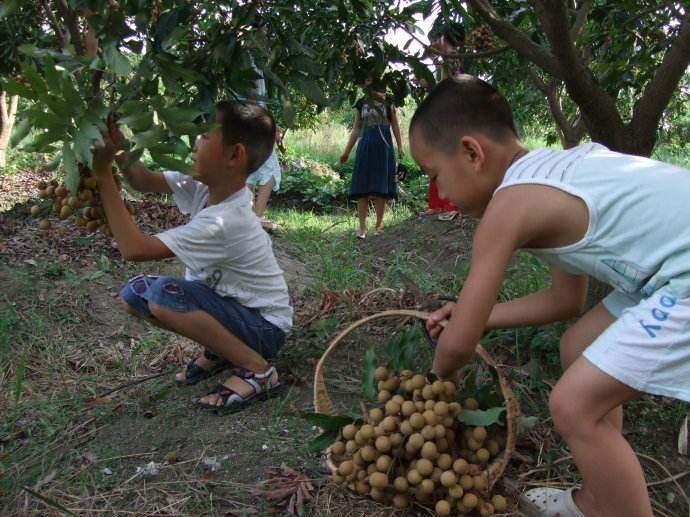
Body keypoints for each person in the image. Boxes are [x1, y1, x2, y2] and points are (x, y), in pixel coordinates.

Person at [412, 76, 690, 517]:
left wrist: (431, 388)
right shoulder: (547, 177)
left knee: (573, 406)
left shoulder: (510, 208)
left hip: (685, 273)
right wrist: (474, 316)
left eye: (435, 176)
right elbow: (564, 301)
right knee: (578, 347)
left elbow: (459, 346)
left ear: (471, 152)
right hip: (668, 272)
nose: (440, 195)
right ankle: (601, 499)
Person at [94, 101, 293, 412]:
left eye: (203, 137)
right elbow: (141, 180)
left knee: (163, 295)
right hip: (234, 313)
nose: (194, 144)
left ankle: (259, 370)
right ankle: (221, 350)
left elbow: (135, 250)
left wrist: (102, 174)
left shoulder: (227, 219)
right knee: (136, 294)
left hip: (265, 327)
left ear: (233, 155)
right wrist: (115, 144)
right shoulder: (204, 186)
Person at [339, 78, 404, 239]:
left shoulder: (388, 101)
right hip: (365, 146)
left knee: (381, 187)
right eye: (364, 82)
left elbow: (395, 125)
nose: (365, 85)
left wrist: (400, 147)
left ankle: (378, 226)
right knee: (362, 186)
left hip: (384, 147)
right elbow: (356, 129)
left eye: (368, 81)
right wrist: (346, 152)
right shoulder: (361, 103)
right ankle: (362, 229)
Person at [421, 21, 464, 220]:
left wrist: (427, 83)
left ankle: (449, 204)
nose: (430, 45)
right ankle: (437, 203)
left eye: (432, 40)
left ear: (441, 39)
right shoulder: (447, 59)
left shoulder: (451, 58)